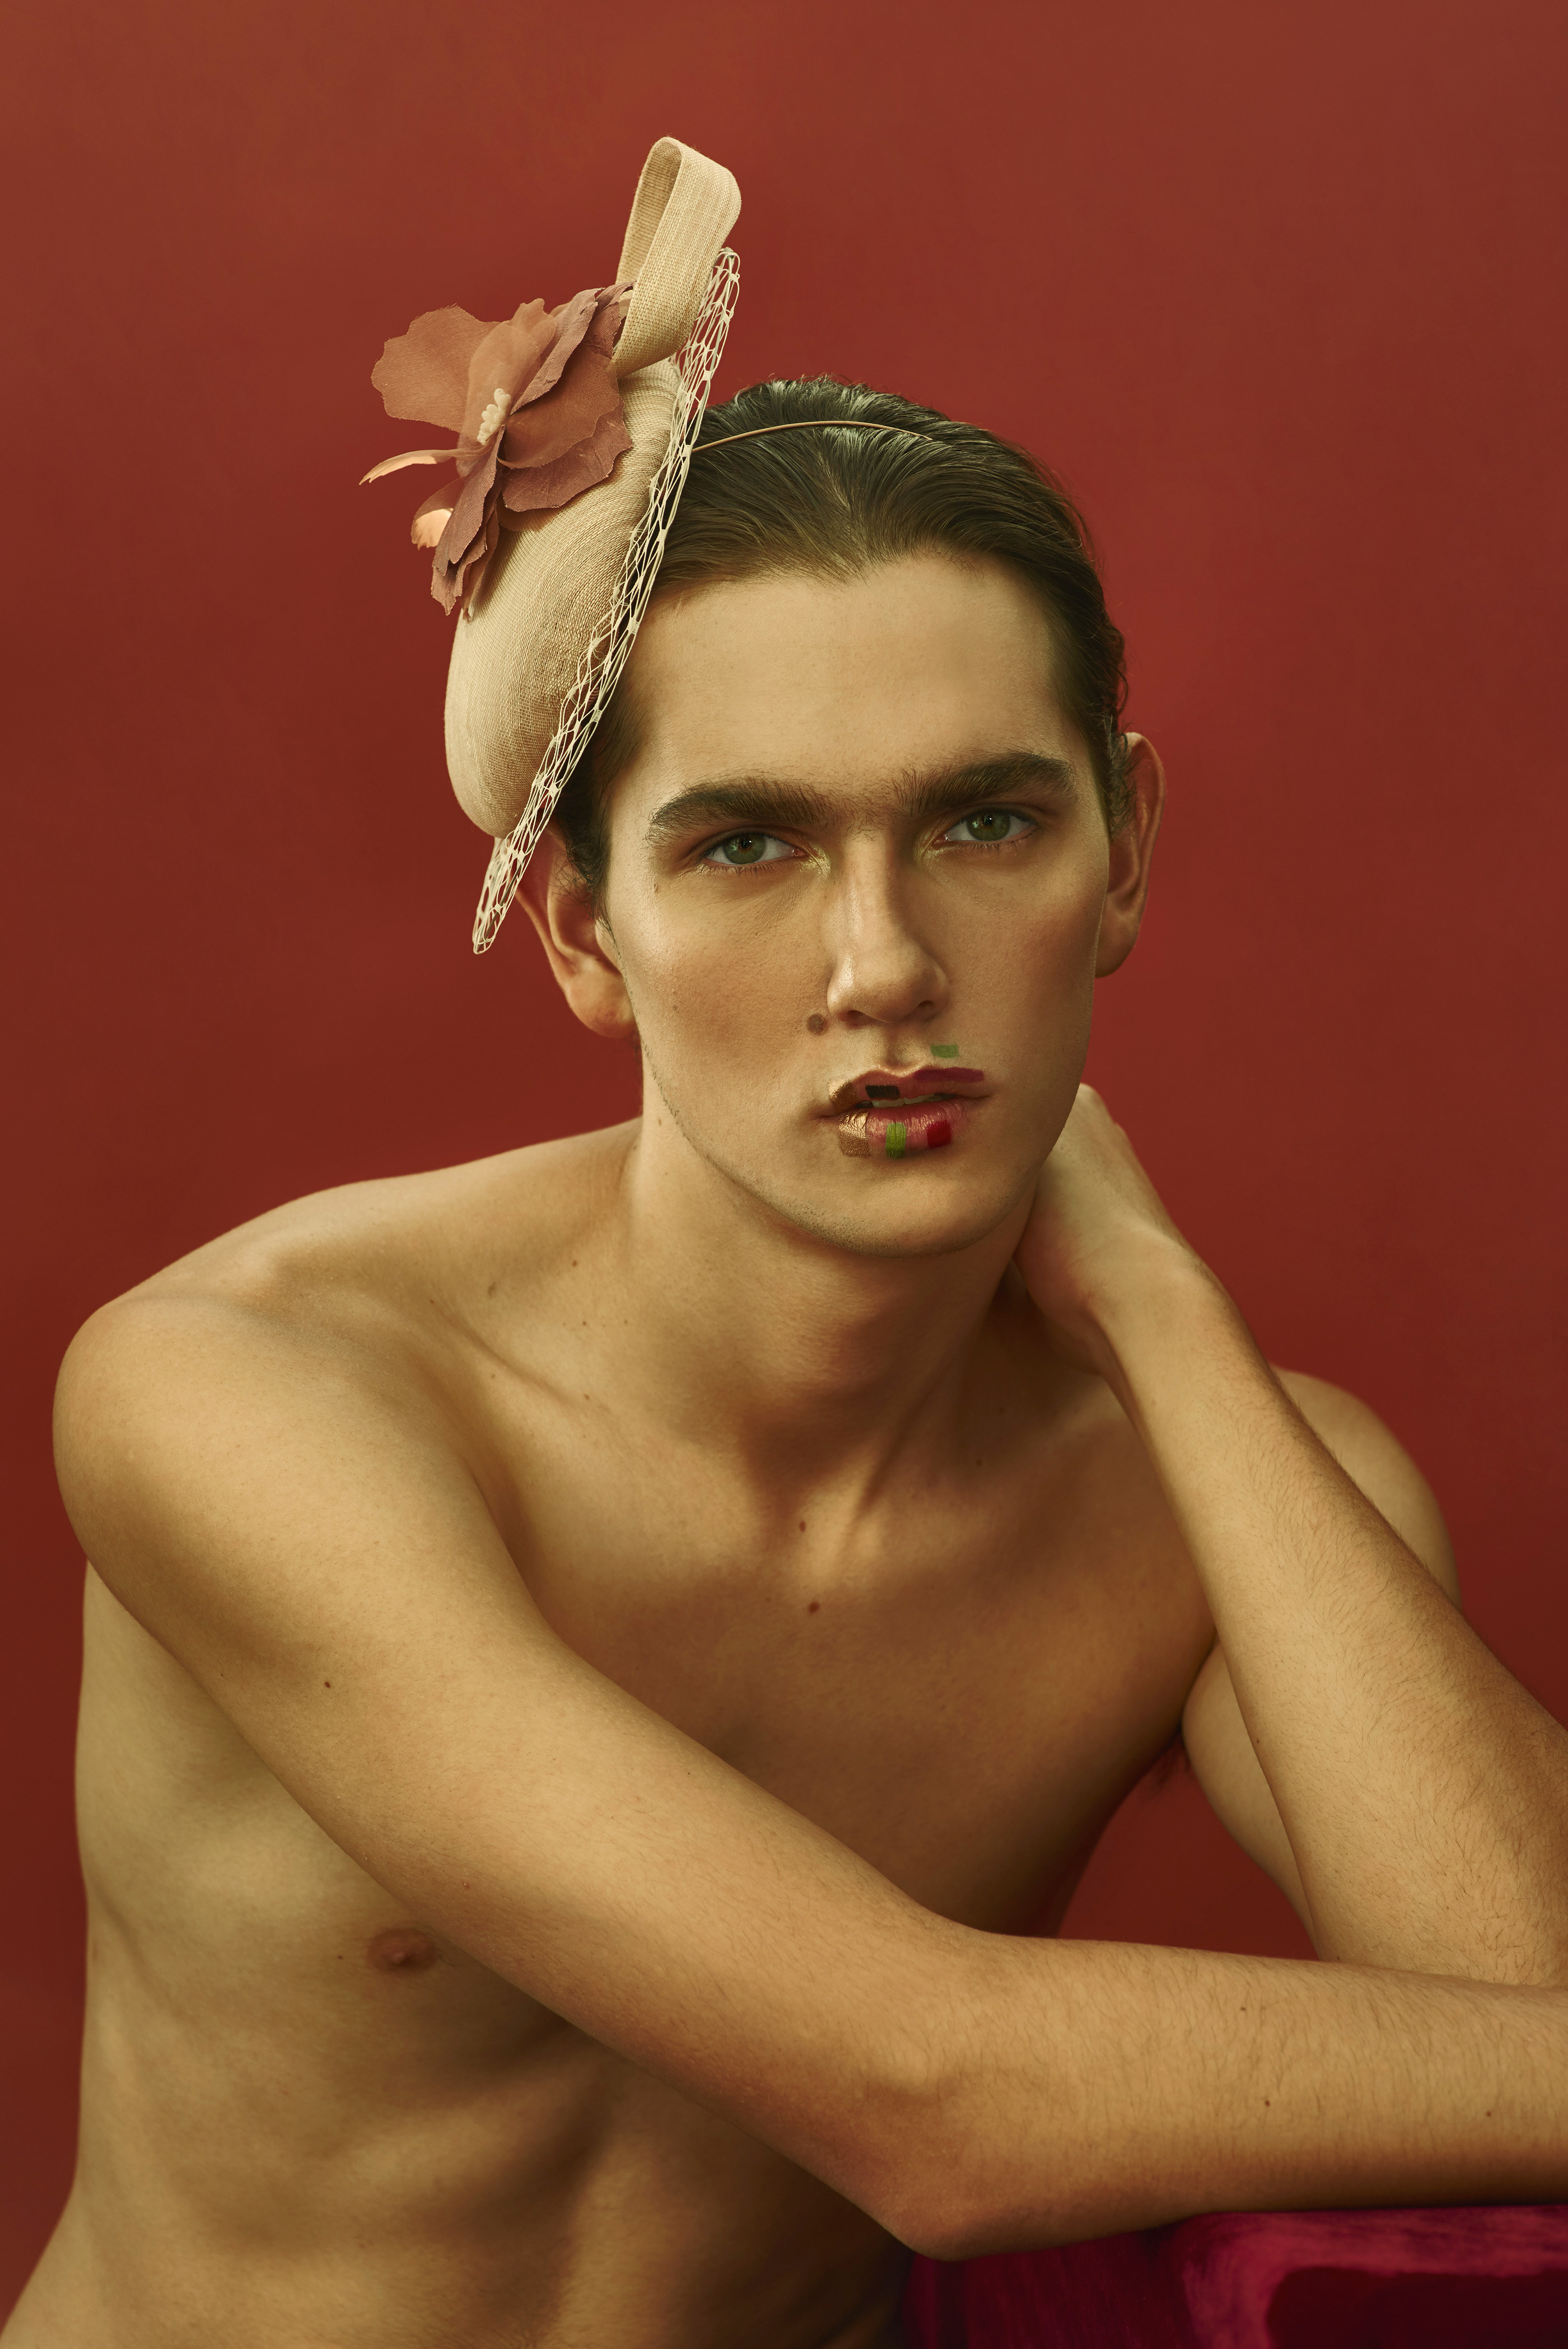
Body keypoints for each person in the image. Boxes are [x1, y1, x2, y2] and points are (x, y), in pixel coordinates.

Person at [10, 372, 1568, 2349]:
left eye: (987, 821)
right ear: (588, 932)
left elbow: (1522, 2026)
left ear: (1124, 851)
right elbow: (936, 2098)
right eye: (749, 844)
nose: (885, 964)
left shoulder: (1224, 1486)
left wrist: (1161, 1309)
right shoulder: (250, 1391)